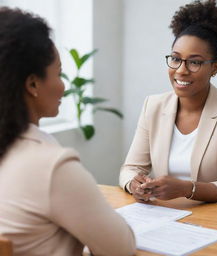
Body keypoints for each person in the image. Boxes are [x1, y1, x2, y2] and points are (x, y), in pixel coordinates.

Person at [0, 7, 135, 256]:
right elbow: (121, 249)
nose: (63, 85)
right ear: (32, 84)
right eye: (59, 73)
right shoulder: (50, 166)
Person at [119, 0, 217, 203]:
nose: (181, 70)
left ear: (215, 68)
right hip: (164, 214)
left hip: (214, 219)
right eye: (175, 59)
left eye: (194, 62)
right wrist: (134, 184)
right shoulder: (153, 105)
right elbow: (130, 168)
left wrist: (187, 189)